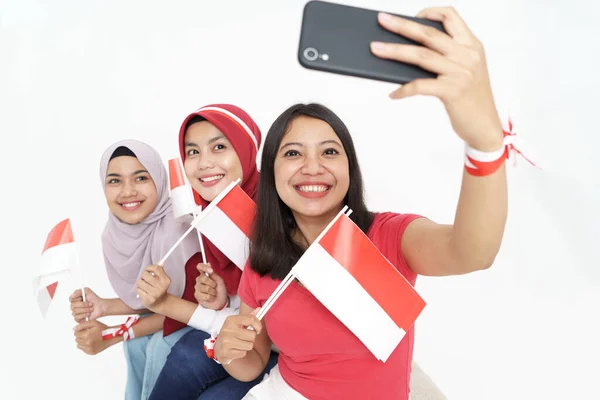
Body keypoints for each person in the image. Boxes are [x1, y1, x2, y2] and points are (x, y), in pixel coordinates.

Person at [214, 8, 513, 399]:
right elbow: (251, 361)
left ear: (350, 169)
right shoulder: (262, 261)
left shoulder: (388, 237)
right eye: (292, 154)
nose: (312, 167)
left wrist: (486, 145)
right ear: (270, 173)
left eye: (329, 152)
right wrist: (227, 350)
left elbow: (472, 252)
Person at [136, 104, 277, 400]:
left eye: (219, 147)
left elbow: (257, 330)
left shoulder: (272, 215)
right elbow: (238, 316)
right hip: (243, 341)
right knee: (183, 354)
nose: (204, 163)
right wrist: (222, 299)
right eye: (193, 152)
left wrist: (166, 304)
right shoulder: (213, 216)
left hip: (278, 351)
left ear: (246, 150)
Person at [70, 140, 199, 399]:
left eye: (140, 178)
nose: (127, 191)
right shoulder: (114, 233)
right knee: (137, 345)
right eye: (115, 181)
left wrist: (110, 334)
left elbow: (185, 309)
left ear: (159, 181)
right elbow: (153, 299)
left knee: (158, 347)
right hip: (174, 312)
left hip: (203, 318)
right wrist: (105, 306)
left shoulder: (176, 228)